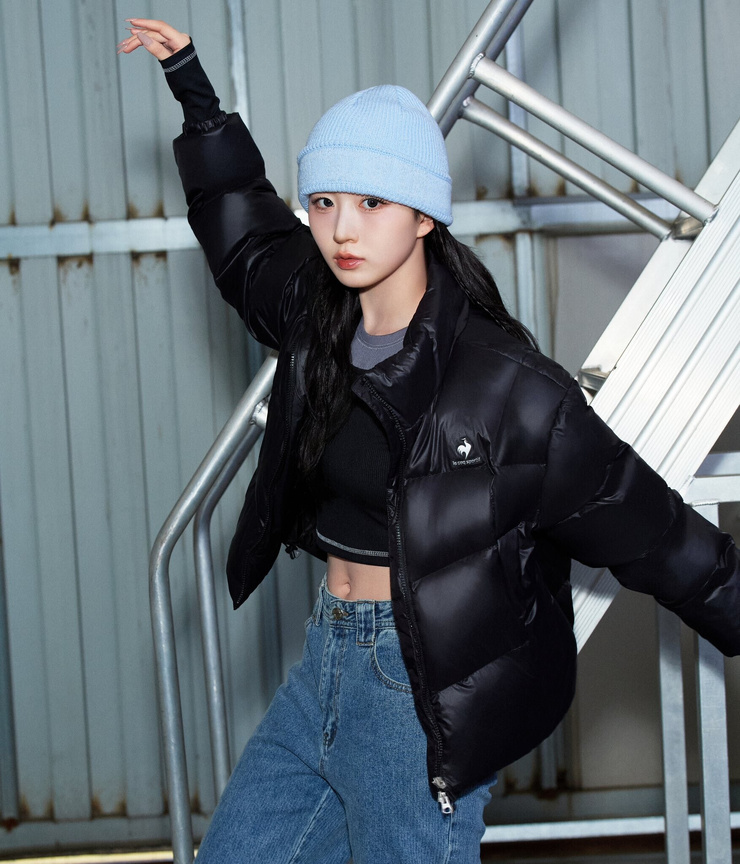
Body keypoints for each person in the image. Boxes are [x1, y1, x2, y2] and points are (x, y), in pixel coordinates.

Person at [119, 19, 740, 864]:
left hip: (412, 690)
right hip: (324, 661)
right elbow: (244, 231)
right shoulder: (313, 313)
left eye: (371, 203)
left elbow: (659, 537)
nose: (342, 229)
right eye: (325, 202)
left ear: (422, 216)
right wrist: (195, 92)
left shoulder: (508, 387)